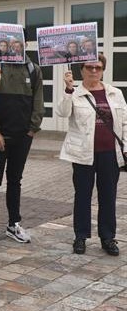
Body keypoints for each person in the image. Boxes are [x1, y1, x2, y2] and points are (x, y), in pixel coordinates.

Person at [0, 34, 45, 244]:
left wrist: (32, 129)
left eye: (20, 42)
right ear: (5, 45)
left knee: (15, 181)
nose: (16, 46)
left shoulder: (33, 69)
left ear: (24, 45)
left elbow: (38, 100)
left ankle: (13, 224)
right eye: (12, 42)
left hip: (23, 136)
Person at [58, 54, 123, 256]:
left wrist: (126, 148)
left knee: (108, 196)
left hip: (110, 154)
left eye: (98, 67)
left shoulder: (115, 93)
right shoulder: (75, 93)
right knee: (83, 196)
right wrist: (68, 89)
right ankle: (80, 236)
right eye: (89, 67)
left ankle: (107, 237)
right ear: (82, 70)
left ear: (103, 69)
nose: (94, 71)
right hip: (83, 154)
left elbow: (125, 122)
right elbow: (62, 112)